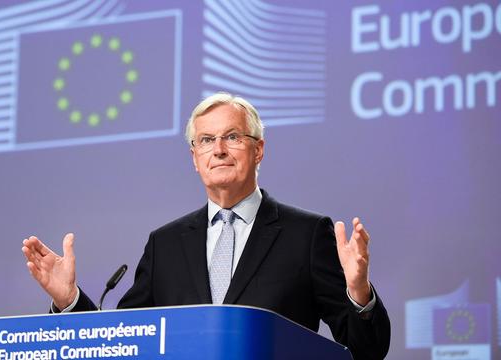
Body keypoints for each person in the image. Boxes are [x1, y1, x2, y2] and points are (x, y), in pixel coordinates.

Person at [22, 92, 391, 359]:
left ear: (258, 149)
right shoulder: (165, 244)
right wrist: (69, 300)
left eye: (232, 137)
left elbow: (367, 349)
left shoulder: (306, 234)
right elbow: (124, 342)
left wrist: (358, 293)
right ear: (194, 157)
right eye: (206, 140)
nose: (219, 150)